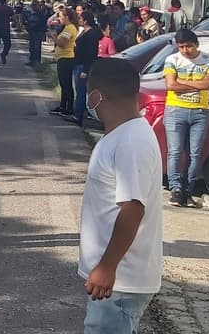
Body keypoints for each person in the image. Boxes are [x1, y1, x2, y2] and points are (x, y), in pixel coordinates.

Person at [79, 58, 164, 334]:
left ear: (96, 96)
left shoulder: (131, 142)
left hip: (121, 281)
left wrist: (107, 266)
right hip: (116, 279)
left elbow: (133, 208)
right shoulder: (123, 135)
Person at [163, 29, 209, 206]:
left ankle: (188, 188)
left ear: (196, 45)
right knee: (175, 152)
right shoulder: (172, 60)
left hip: (200, 112)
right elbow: (171, 85)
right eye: (181, 47)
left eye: (189, 46)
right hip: (175, 110)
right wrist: (198, 85)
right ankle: (176, 189)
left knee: (194, 154)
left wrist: (183, 83)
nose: (185, 50)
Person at [70, 12, 104, 126]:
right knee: (80, 90)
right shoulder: (84, 31)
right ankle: (80, 112)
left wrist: (85, 69)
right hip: (78, 62)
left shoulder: (91, 34)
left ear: (85, 21)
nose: (78, 20)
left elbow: (90, 53)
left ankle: (78, 115)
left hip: (83, 65)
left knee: (81, 91)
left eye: (80, 18)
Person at [50, 9, 79, 117]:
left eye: (61, 16)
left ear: (67, 17)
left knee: (66, 84)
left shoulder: (69, 28)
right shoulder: (66, 28)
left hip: (67, 58)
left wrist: (53, 36)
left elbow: (61, 43)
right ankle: (63, 106)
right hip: (63, 58)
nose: (59, 19)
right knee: (63, 84)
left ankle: (69, 108)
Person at [24, 1, 48, 66]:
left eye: (35, 5)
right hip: (32, 31)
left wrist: (43, 32)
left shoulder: (40, 13)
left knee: (36, 47)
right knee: (31, 47)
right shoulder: (30, 13)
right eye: (33, 5)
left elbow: (43, 23)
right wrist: (27, 27)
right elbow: (27, 21)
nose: (33, 7)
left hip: (38, 31)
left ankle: (37, 61)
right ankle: (32, 60)